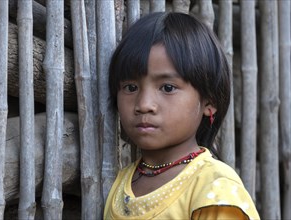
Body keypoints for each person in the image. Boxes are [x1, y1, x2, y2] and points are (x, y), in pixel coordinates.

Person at [104, 12, 260, 219]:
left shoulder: (213, 189)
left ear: (209, 102)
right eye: (131, 87)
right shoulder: (120, 184)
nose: (144, 105)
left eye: (168, 88)